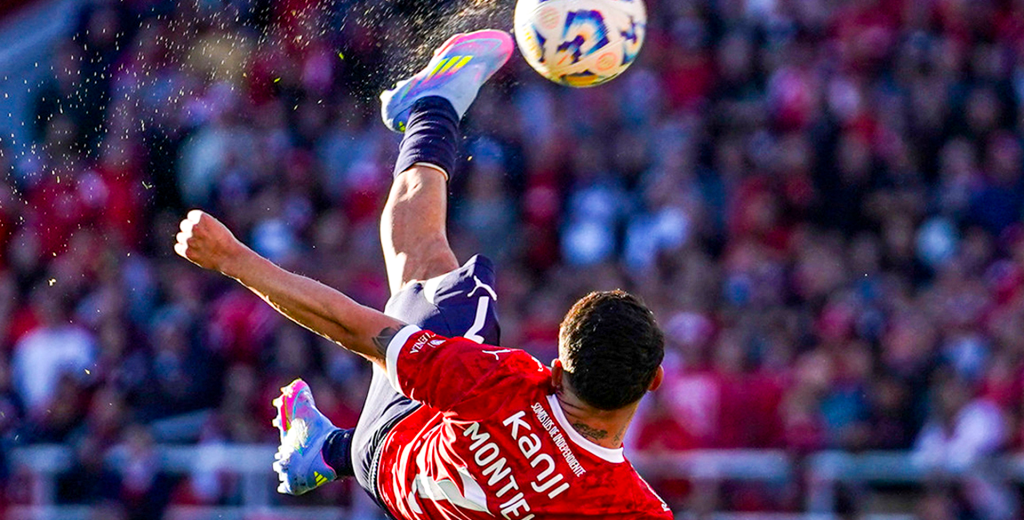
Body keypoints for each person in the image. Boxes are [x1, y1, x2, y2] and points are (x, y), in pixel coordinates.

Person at [174, 29, 672, 519]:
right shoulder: (634, 509)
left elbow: (352, 326)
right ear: (654, 381)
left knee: (443, 283)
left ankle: (434, 106)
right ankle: (327, 450)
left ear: (558, 370)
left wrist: (233, 259)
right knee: (433, 300)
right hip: (389, 484)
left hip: (393, 448)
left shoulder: (502, 384)